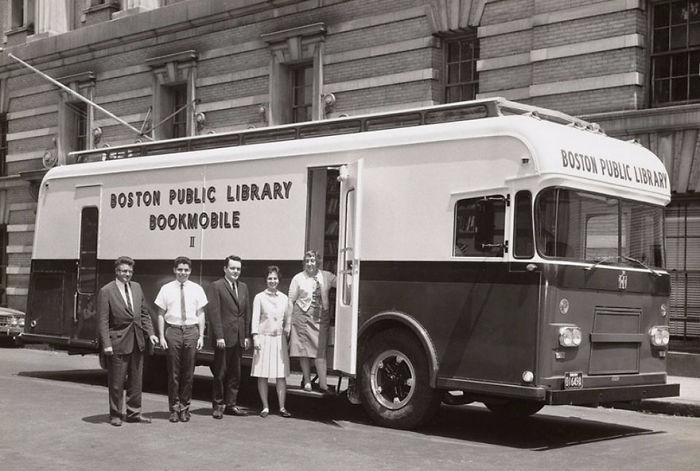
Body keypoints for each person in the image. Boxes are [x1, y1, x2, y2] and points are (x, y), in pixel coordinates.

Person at [97, 256, 159, 426]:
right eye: (124, 271)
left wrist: (151, 333)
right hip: (117, 342)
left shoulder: (137, 287)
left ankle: (134, 413)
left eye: (130, 271)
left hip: (138, 342)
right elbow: (103, 321)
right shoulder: (106, 291)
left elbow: (144, 313)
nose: (127, 274)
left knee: (136, 381)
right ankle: (115, 414)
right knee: (116, 383)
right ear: (117, 272)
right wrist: (107, 344)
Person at [156, 256, 208, 423]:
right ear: (174, 270)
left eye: (186, 270)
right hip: (174, 331)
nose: (183, 273)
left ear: (190, 271)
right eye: (180, 269)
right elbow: (160, 314)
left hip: (191, 332)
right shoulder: (166, 288)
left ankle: (185, 408)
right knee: (173, 373)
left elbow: (201, 313)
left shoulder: (197, 289)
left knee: (188, 373)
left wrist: (201, 335)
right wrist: (162, 336)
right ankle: (174, 408)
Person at [206, 255, 251, 419]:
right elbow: (214, 313)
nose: (235, 271)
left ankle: (231, 404)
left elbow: (246, 313)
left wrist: (246, 335)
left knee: (235, 373)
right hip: (223, 339)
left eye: (238, 269)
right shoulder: (216, 286)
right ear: (225, 269)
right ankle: (218, 405)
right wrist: (219, 336)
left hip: (238, 338)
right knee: (220, 373)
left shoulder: (244, 287)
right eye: (232, 268)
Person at [288, 250, 337, 393]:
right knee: (303, 350)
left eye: (313, 260)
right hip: (301, 316)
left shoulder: (326, 276)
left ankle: (323, 384)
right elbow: (291, 300)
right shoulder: (298, 278)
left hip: (321, 317)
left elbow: (343, 282)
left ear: (318, 262)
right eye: (307, 261)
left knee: (319, 351)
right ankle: (307, 381)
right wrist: (289, 322)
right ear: (304, 262)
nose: (310, 263)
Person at [251, 266, 292, 418]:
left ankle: (282, 407)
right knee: (263, 375)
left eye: (275, 278)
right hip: (263, 337)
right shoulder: (259, 297)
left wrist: (287, 333)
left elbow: (288, 318)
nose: (272, 281)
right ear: (266, 280)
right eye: (270, 278)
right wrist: (255, 337)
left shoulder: (284, 298)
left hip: (279, 339)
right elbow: (255, 318)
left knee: (280, 375)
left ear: (279, 280)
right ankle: (265, 407)